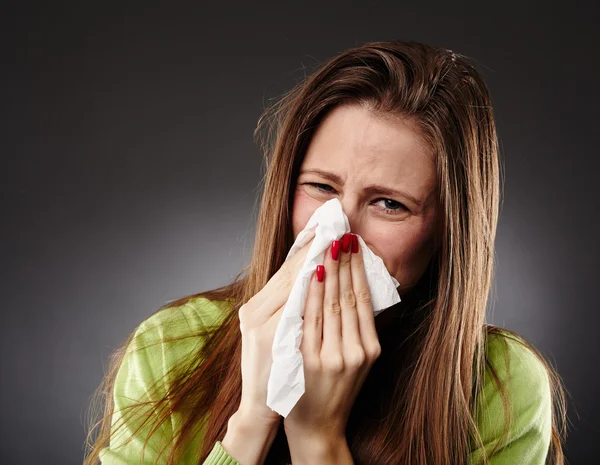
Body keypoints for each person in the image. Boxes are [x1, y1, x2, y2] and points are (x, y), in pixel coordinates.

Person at [83, 40, 567, 465]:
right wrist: (252, 420)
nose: (338, 233)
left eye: (389, 204)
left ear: (448, 231)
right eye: (319, 187)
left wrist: (317, 438)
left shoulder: (502, 388)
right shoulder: (173, 348)